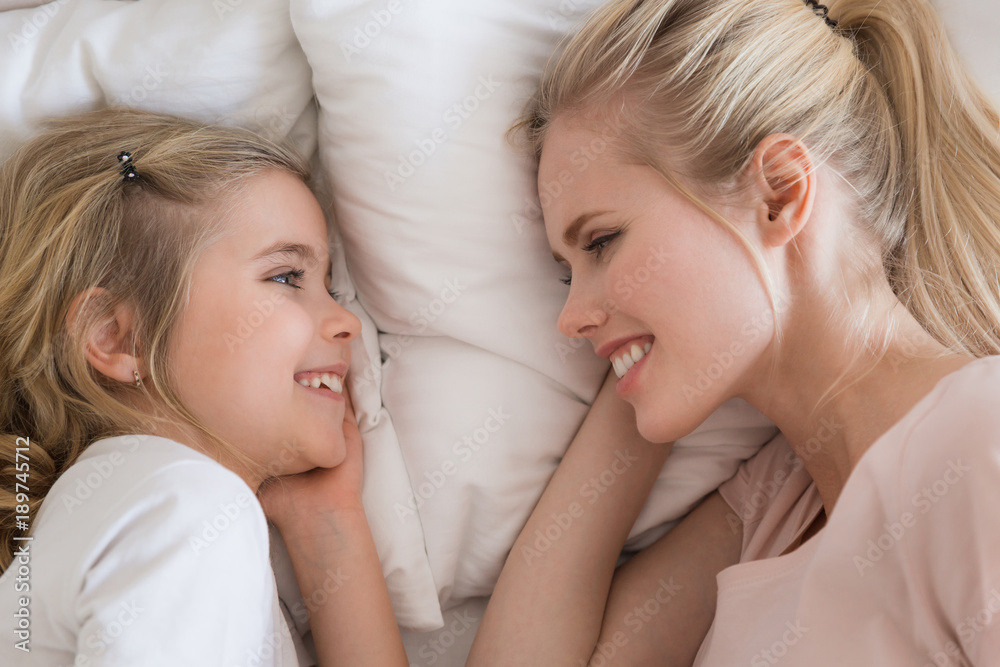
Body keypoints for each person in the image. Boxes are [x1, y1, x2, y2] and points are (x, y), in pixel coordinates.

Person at [467, 0, 1000, 664]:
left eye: (602, 242)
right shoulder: (775, 507)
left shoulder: (979, 441)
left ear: (778, 192)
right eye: (565, 272)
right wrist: (651, 348)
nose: (570, 316)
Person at [0, 107, 409, 666]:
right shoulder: (185, 506)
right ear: (119, 337)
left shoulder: (143, 504)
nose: (346, 321)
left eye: (330, 284)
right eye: (287, 276)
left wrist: (326, 520)